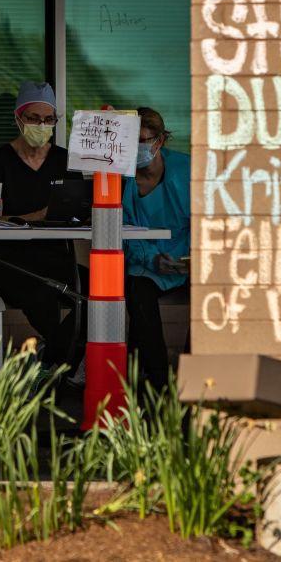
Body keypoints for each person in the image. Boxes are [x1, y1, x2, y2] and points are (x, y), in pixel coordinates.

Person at [0, 81, 80, 371]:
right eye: (34, 118)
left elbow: (75, 208)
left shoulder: (64, 160)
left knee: (98, 292)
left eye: (49, 119)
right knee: (42, 294)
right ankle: (60, 365)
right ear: (18, 119)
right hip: (6, 262)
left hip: (53, 259)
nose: (41, 125)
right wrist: (39, 215)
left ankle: (53, 358)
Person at [121, 106, 190, 394]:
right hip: (145, 264)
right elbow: (122, 230)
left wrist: (196, 257)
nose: (135, 149)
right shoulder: (121, 178)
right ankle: (158, 383)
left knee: (211, 295)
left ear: (159, 141)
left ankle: (191, 376)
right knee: (138, 295)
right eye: (129, 142)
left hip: (187, 261)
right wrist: (152, 259)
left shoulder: (186, 171)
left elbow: (207, 220)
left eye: (142, 141)